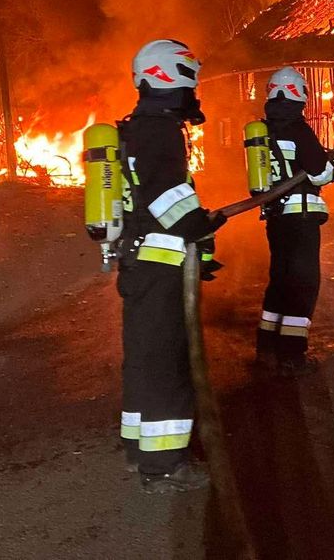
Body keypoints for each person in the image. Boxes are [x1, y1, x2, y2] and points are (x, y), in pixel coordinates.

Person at [117, 39, 226, 492]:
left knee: (144, 358)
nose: (194, 89)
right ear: (171, 76)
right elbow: (167, 199)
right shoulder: (159, 132)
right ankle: (163, 467)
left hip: (139, 261)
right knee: (166, 363)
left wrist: (200, 240)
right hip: (159, 264)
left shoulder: (137, 128)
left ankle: (138, 449)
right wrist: (201, 225)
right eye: (190, 78)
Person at [254, 66, 334, 377]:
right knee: (303, 284)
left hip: (276, 218)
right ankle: (292, 356)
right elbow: (319, 172)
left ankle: (266, 347)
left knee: (279, 280)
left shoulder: (264, 131)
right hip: (301, 217)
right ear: (300, 95)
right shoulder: (298, 129)